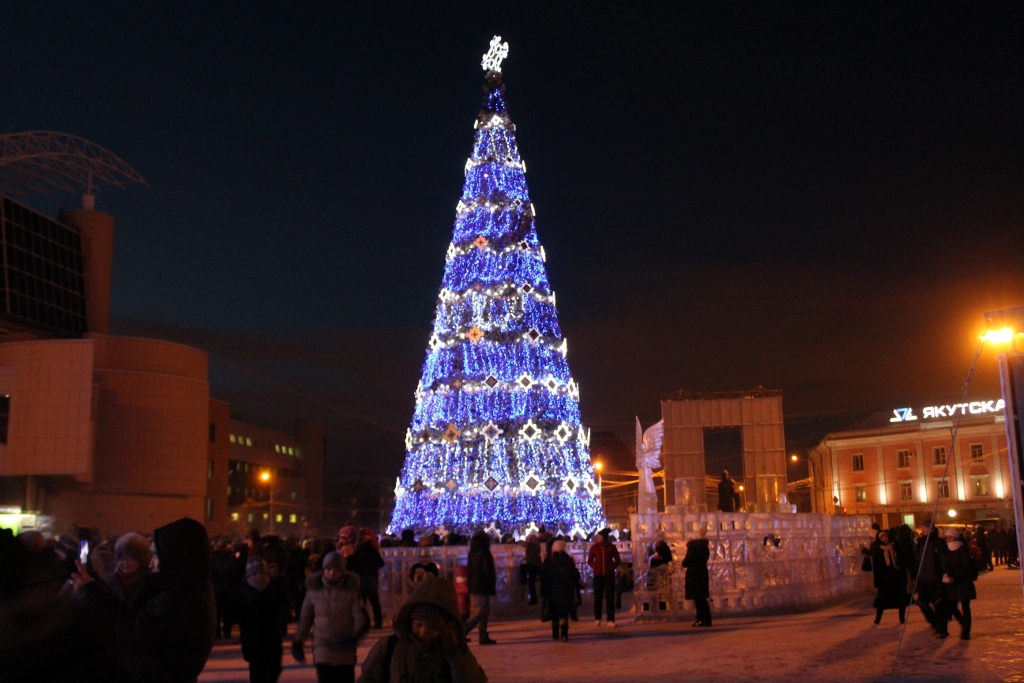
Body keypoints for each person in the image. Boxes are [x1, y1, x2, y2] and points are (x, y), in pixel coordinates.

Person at [72, 516, 217, 682]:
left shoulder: (180, 600)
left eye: (156, 555)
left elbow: (132, 632)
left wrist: (90, 593)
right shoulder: (186, 590)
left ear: (175, 556)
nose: (151, 563)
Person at [356, 574, 486, 683]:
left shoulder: (456, 652)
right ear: (409, 621)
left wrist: (455, 652)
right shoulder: (390, 647)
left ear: (448, 626)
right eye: (418, 625)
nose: (424, 631)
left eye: (432, 627)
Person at [292, 550, 368, 682]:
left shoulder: (351, 592)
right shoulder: (314, 591)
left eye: (336, 570)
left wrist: (354, 637)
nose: (332, 573)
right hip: (323, 645)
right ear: (323, 569)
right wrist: (298, 641)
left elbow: (359, 618)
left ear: (342, 571)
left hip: (344, 647)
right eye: (328, 569)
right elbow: (305, 619)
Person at [234, 557, 291, 683]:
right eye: (255, 573)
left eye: (261, 573)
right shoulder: (245, 591)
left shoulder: (272, 588)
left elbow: (284, 610)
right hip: (262, 638)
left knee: (266, 670)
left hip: (262, 638)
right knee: (264, 671)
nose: (258, 577)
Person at [913, 520, 949, 637]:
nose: (922, 530)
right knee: (921, 602)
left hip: (935, 578)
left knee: (938, 604)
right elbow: (917, 559)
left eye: (925, 528)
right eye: (922, 528)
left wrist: (945, 573)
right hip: (923, 578)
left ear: (931, 529)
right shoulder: (920, 542)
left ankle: (942, 630)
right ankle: (935, 623)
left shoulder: (938, 542)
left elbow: (943, 559)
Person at [940, 526, 977, 640]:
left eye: (950, 537)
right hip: (952, 582)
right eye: (947, 537)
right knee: (951, 606)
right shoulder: (946, 550)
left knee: (965, 607)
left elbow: (965, 567)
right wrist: (946, 574)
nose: (948, 540)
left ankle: (966, 631)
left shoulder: (962, 549)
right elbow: (945, 564)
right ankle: (963, 623)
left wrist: (954, 577)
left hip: (963, 582)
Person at [541, 539, 581, 642]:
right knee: (564, 614)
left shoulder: (548, 561)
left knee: (554, 613)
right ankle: (564, 634)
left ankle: (555, 633)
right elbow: (574, 576)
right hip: (566, 590)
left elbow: (545, 577)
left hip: (552, 590)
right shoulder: (568, 561)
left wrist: (544, 591)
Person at [346, 527, 385, 629]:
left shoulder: (357, 553)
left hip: (360, 581)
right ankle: (378, 622)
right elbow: (381, 563)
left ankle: (364, 622)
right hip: (372, 580)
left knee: (361, 604)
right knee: (375, 603)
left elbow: (350, 566)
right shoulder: (373, 552)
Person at [463, 530, 498, 645]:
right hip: (482, 584)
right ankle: (464, 629)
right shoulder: (484, 552)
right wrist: (491, 583)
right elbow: (487, 570)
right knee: (482, 611)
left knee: (484, 611)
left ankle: (483, 635)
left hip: (474, 584)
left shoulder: (472, 552)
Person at [870, 530, 909, 625]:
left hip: (897, 577)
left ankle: (902, 618)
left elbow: (902, 560)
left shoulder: (896, 547)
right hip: (885, 579)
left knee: (900, 599)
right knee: (882, 600)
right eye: (882, 537)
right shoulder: (879, 550)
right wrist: (878, 581)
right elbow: (877, 567)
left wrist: (902, 572)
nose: (885, 539)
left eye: (886, 536)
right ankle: (877, 619)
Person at [105, 532, 152, 608]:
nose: (125, 563)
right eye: (122, 558)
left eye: (130, 558)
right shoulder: (110, 579)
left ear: (141, 560)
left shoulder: (149, 581)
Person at [587, 528, 621, 627]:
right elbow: (589, 560)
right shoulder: (594, 548)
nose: (597, 538)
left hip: (609, 576)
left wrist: (611, 567)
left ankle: (610, 619)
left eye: (599, 536)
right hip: (598, 576)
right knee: (598, 597)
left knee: (610, 598)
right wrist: (595, 566)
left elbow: (617, 560)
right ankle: (598, 618)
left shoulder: (611, 547)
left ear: (604, 538)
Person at [681, 528, 712, 627]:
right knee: (702, 598)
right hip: (702, 573)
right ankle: (707, 619)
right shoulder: (704, 547)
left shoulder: (693, 548)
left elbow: (686, 562)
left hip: (694, 575)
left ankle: (700, 619)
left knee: (698, 599)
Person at [521, 533, 542, 605]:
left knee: (530, 582)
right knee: (531, 582)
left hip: (533, 565)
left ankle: (523, 581)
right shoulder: (536, 547)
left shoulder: (530, 546)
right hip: (536, 566)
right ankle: (534, 599)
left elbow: (521, 543)